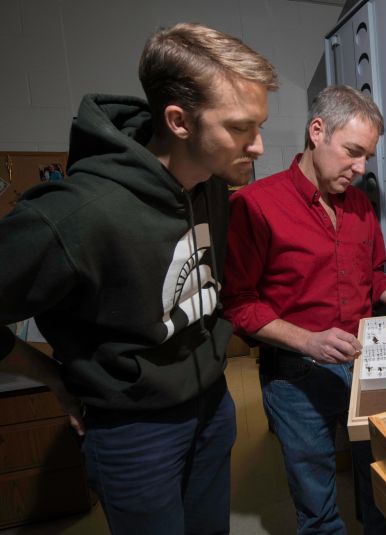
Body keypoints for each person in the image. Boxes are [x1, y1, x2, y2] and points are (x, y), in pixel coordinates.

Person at [0, 23, 277, 535]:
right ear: (178, 122)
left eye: (258, 125)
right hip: (134, 431)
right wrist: (52, 378)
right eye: (240, 128)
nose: (258, 145)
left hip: (211, 406)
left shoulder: (213, 183)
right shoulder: (77, 213)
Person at [222, 85, 386, 534]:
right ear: (317, 131)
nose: (361, 168)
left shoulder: (360, 205)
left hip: (366, 362)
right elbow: (239, 304)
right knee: (318, 503)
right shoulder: (254, 204)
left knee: (380, 481)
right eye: (352, 152)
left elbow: (373, 277)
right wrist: (308, 339)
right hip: (296, 374)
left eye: (367, 157)